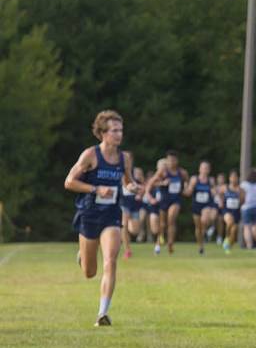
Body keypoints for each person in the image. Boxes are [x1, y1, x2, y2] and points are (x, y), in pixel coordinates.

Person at [64, 110, 140, 326]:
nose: (119, 134)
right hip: (89, 215)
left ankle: (102, 313)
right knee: (90, 272)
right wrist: (96, 189)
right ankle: (83, 255)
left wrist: (133, 187)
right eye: (114, 131)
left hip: (111, 216)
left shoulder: (124, 158)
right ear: (103, 134)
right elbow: (69, 182)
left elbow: (127, 181)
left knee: (110, 261)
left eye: (121, 130)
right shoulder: (91, 155)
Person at [145, 150, 188, 255]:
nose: (171, 162)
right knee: (162, 224)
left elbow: (187, 181)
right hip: (164, 200)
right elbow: (151, 183)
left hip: (176, 200)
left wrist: (185, 188)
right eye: (169, 160)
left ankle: (170, 243)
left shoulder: (182, 172)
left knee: (171, 219)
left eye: (173, 160)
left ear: (177, 161)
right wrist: (162, 183)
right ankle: (159, 242)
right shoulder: (163, 171)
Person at [185, 161, 220, 255]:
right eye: (203, 168)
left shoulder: (211, 180)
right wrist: (185, 189)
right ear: (199, 169)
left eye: (206, 168)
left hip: (207, 205)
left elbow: (214, 191)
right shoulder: (194, 179)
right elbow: (189, 192)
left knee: (204, 220)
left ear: (209, 170)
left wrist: (215, 193)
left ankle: (209, 229)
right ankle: (201, 246)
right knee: (198, 228)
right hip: (196, 205)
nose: (205, 170)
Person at [120, 166, 146, 259]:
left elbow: (144, 187)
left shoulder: (137, 171)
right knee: (124, 226)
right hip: (124, 204)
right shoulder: (120, 171)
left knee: (134, 231)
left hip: (135, 206)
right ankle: (127, 250)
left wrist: (140, 193)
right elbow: (123, 185)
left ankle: (125, 235)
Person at [221, 170, 245, 253]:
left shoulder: (241, 190)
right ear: (230, 178)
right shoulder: (225, 188)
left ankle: (228, 246)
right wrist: (221, 202)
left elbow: (242, 201)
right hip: (227, 210)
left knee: (234, 231)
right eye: (232, 177)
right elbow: (219, 195)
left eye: (236, 177)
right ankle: (226, 238)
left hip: (236, 212)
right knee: (229, 222)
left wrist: (239, 196)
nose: (234, 179)